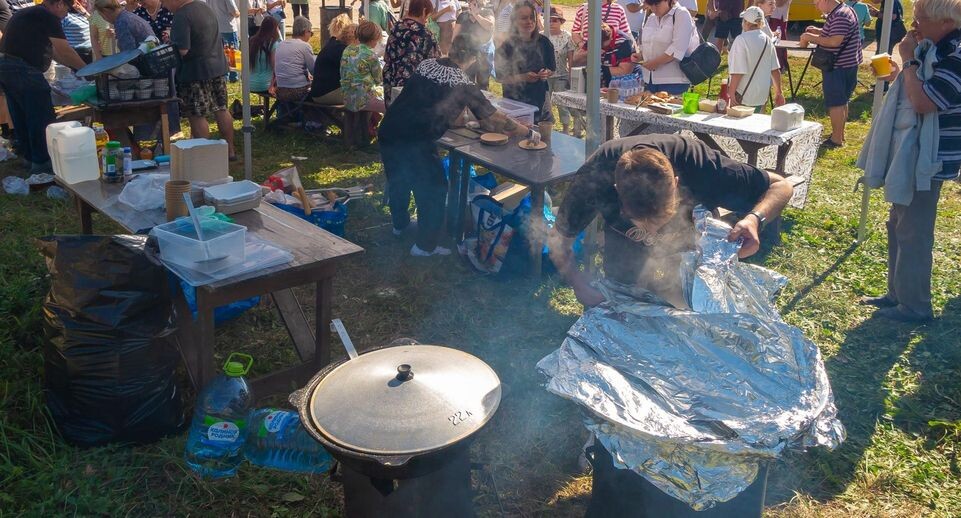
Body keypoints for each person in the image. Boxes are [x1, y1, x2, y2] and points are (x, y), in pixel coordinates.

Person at [548, 134, 793, 307]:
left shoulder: (700, 164)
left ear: (676, 184)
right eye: (638, 222)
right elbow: (558, 242)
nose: (652, 235)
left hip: (689, 265)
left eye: (662, 218)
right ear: (616, 190)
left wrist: (754, 218)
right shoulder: (594, 178)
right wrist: (578, 284)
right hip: (624, 269)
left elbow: (781, 186)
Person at [379, 34, 528, 256]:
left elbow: (437, 104)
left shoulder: (427, 64)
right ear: (474, 57)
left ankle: (399, 226)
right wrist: (526, 131)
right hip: (416, 139)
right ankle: (424, 247)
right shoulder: (464, 83)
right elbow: (494, 119)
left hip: (390, 129)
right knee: (433, 189)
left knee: (399, 181)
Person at [859, 0, 961, 322]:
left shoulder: (955, 54)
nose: (914, 25)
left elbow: (924, 101)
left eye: (919, 19)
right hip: (912, 151)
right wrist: (901, 69)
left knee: (914, 231)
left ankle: (914, 306)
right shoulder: (934, 46)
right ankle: (897, 294)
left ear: (944, 22)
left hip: (928, 158)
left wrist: (909, 63)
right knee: (899, 223)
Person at [0, 0, 86, 174]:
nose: (66, 15)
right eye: (67, 9)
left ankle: (29, 157)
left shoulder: (30, 13)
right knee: (40, 115)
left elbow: (55, 52)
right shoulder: (47, 16)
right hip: (23, 68)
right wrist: (89, 69)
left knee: (21, 114)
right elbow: (65, 49)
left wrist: (74, 67)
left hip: (7, 65)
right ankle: (41, 162)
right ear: (60, 4)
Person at [164, 0, 235, 159]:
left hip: (195, 72)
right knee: (221, 109)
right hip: (217, 66)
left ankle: (204, 156)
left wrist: (171, 42)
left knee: (197, 115)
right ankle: (230, 150)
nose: (164, 6)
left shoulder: (181, 15)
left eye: (164, 2)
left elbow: (183, 50)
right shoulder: (205, 7)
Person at [800, 0, 861, 148]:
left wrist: (809, 37)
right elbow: (838, 33)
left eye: (817, 2)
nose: (816, 5)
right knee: (842, 100)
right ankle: (839, 134)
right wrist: (818, 31)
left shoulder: (840, 15)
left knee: (836, 103)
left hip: (838, 66)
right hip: (848, 63)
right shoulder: (844, 10)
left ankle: (836, 139)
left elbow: (834, 41)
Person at [495, 0, 554, 122]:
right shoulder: (506, 47)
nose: (529, 22)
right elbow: (500, 78)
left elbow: (551, 69)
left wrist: (546, 73)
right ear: (514, 21)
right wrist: (523, 77)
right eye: (524, 18)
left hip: (540, 99)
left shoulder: (544, 43)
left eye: (532, 17)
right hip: (515, 103)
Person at [384, 0, 440, 103]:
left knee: (393, 116)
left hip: (390, 78)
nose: (427, 20)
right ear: (423, 11)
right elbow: (435, 64)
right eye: (427, 15)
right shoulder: (425, 34)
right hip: (411, 84)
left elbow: (386, 57)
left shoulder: (396, 26)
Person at [729, 6, 784, 109]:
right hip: (761, 95)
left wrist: (731, 93)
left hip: (743, 95)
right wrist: (779, 92)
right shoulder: (768, 40)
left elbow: (738, 71)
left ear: (746, 23)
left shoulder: (741, 40)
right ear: (761, 23)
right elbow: (775, 70)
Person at [639, 0, 698, 95]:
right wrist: (640, 55)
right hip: (650, 80)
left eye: (657, 4)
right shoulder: (651, 18)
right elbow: (649, 43)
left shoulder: (681, 14)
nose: (653, 8)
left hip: (674, 81)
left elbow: (677, 49)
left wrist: (655, 63)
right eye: (650, 5)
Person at [341, 20, 386, 113]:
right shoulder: (370, 55)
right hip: (363, 99)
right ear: (375, 38)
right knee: (392, 105)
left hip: (347, 97)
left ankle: (369, 126)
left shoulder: (348, 49)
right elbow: (379, 80)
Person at [571, 0, 632, 67]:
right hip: (587, 57)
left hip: (611, 60)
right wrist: (582, 45)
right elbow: (575, 32)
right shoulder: (584, 8)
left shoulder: (618, 9)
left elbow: (626, 35)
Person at [309, 14, 354, 104]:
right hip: (326, 93)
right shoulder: (340, 49)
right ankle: (365, 118)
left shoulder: (331, 45)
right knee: (363, 95)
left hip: (318, 91)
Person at [272, 15, 315, 104]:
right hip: (298, 90)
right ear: (305, 31)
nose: (311, 35)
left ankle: (286, 116)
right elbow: (314, 69)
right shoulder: (305, 46)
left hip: (280, 90)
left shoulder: (281, 44)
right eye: (311, 32)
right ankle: (307, 117)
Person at [547, 8, 577, 134]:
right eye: (549, 20)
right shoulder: (543, 35)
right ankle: (548, 126)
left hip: (561, 75)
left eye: (555, 20)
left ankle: (565, 128)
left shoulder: (567, 36)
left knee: (561, 103)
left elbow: (571, 59)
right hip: (546, 75)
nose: (551, 23)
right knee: (546, 103)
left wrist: (571, 75)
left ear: (561, 22)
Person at [453, 0, 494, 89]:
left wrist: (476, 14)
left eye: (476, 3)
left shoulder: (487, 12)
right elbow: (455, 36)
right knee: (466, 81)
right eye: (471, 2)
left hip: (483, 55)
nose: (473, 4)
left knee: (483, 83)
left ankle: (481, 101)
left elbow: (490, 25)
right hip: (467, 54)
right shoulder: (463, 15)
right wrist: (453, 52)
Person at [207, 0, 240, 81]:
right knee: (232, 53)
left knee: (220, 54)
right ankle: (233, 76)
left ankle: (224, 75)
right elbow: (234, 12)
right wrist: (239, 13)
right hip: (228, 27)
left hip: (215, 27)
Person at [249, 15, 280, 93]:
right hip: (265, 84)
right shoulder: (273, 44)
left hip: (249, 82)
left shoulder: (252, 41)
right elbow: (275, 67)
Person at [601, 22, 636, 87]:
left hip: (621, 88)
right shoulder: (596, 34)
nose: (600, 47)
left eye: (602, 45)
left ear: (610, 37)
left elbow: (625, 71)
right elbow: (578, 58)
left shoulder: (625, 42)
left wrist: (598, 70)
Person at [771, 0, 791, 68]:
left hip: (778, 17)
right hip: (775, 16)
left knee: (778, 41)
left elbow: (779, 3)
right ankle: (780, 63)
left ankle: (780, 64)